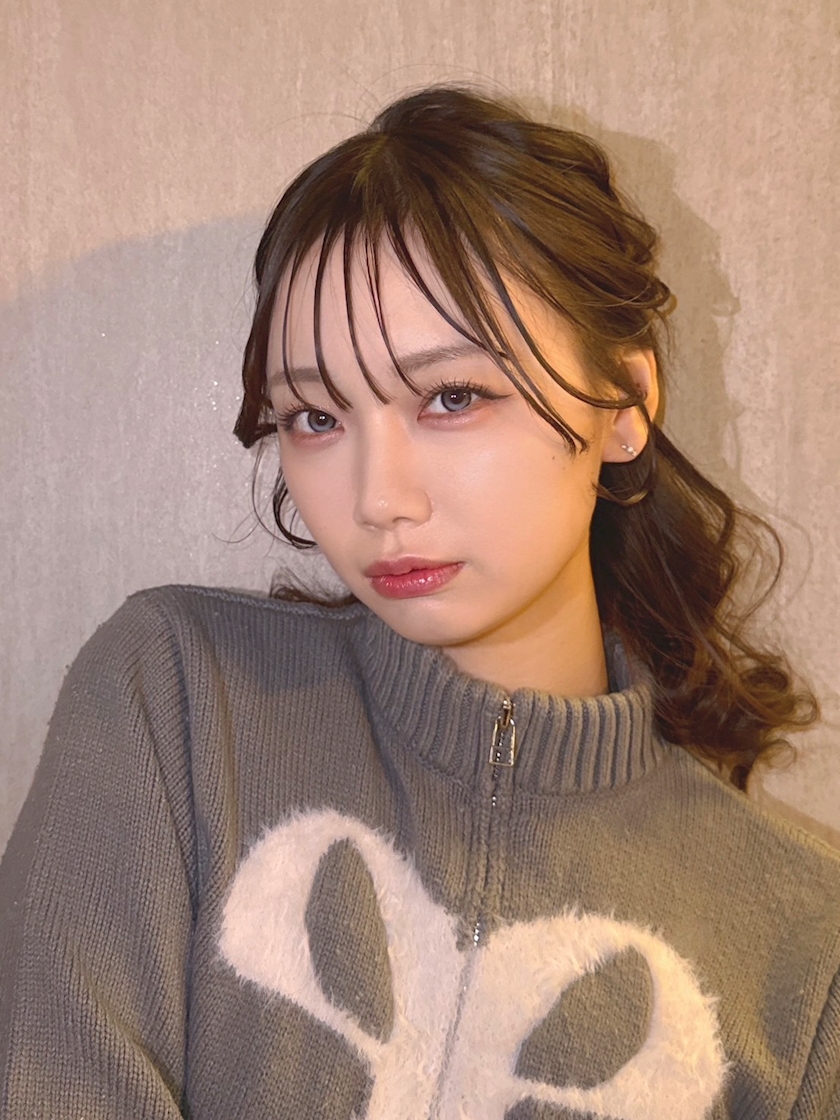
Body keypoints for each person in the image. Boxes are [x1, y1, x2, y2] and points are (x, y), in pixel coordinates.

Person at [1, 85, 838, 1120]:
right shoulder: (175, 704)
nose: (378, 499)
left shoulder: (807, 949)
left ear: (623, 404)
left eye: (452, 397)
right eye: (315, 416)